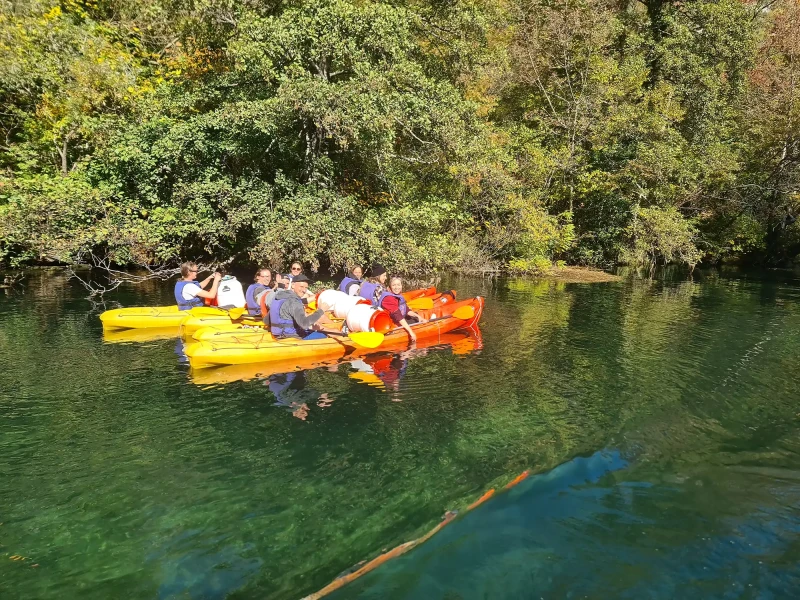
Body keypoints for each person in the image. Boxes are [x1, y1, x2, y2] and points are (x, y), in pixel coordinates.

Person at [268, 274, 332, 340]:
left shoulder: (277, 297)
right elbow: (304, 324)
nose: (304, 290)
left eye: (306, 287)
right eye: (301, 286)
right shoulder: (294, 302)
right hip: (291, 337)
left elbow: (266, 320)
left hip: (277, 336)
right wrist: (321, 311)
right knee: (325, 335)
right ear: (292, 285)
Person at [379, 276, 426, 342]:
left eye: (398, 285)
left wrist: (419, 317)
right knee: (415, 321)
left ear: (401, 286)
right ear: (390, 287)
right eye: (394, 285)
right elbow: (399, 317)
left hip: (397, 319)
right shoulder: (389, 298)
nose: (396, 287)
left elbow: (406, 310)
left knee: (416, 317)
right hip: (391, 324)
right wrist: (411, 332)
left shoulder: (398, 296)